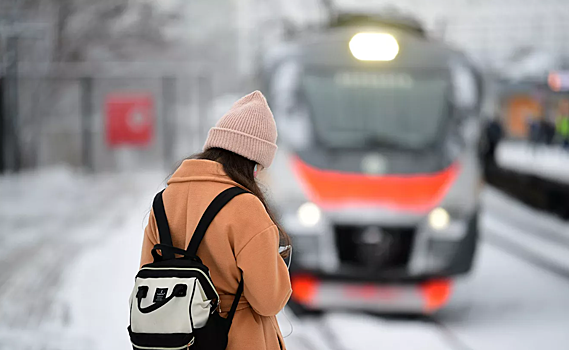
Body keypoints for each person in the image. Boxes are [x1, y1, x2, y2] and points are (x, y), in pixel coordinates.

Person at [139, 91, 292, 350]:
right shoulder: (246, 207)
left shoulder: (164, 201)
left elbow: (148, 279)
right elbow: (269, 300)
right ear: (253, 162)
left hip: (176, 342)